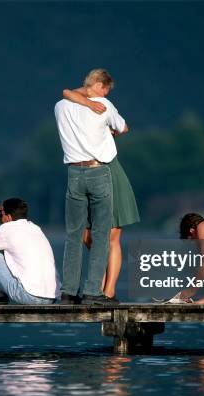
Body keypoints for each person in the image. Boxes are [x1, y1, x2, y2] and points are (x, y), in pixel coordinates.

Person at [61, 76, 140, 301]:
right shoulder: (99, 107)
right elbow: (123, 127)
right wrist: (90, 97)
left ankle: (107, 290)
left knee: (111, 237)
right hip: (100, 172)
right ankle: (94, 287)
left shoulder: (70, 106)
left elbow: (66, 91)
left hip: (105, 171)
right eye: (104, 90)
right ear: (98, 85)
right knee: (91, 236)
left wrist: (87, 95)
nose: (105, 95)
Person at [0, 198, 58, 305]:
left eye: (2, 214)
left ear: (9, 217)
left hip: (30, 297)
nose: (0, 218)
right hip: (52, 297)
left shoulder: (6, 228)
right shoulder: (35, 228)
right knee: (10, 256)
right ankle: (3, 293)